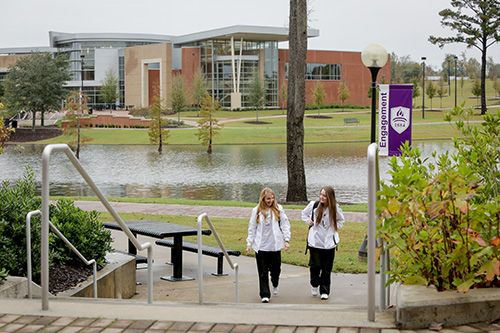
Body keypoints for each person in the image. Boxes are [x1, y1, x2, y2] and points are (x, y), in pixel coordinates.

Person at [246, 187, 291, 303]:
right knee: (262, 271)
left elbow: (285, 225)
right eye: (268, 199)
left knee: (276, 270)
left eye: (272, 198)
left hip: (274, 246)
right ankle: (264, 294)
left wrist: (287, 240)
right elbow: (252, 228)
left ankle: (275, 282)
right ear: (263, 199)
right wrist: (249, 243)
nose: (270, 201)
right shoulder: (256, 211)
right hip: (261, 247)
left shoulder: (278, 209)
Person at [302, 186, 345, 300]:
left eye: (324, 195)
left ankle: (325, 290)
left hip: (329, 243)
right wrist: (308, 221)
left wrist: (335, 228)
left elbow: (341, 220)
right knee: (315, 266)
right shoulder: (314, 206)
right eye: (321, 194)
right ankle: (314, 284)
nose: (322, 197)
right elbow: (304, 214)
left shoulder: (335, 208)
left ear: (330, 197)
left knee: (326, 268)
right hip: (315, 242)